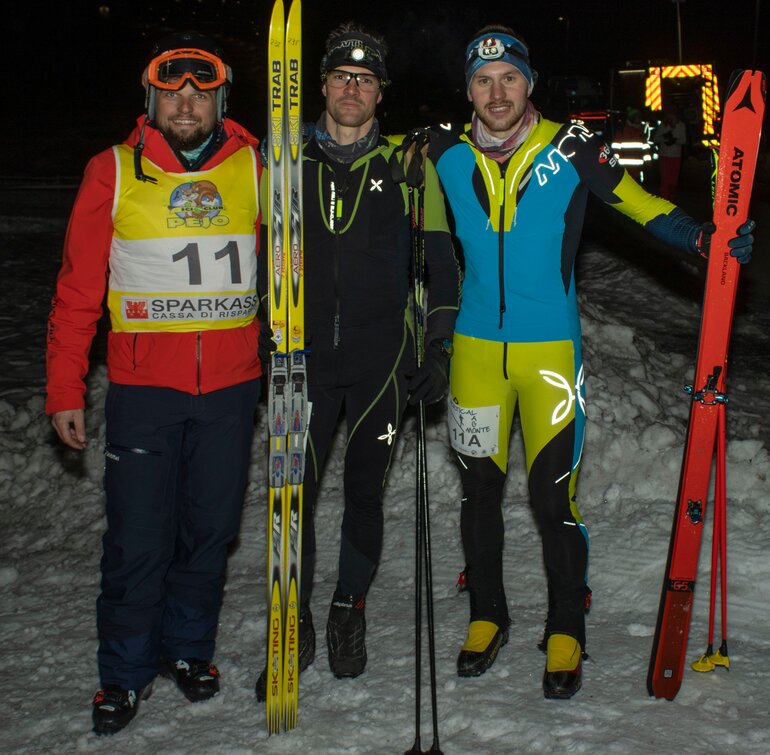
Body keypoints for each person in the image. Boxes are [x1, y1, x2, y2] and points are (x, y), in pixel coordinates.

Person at [419, 25, 755, 700]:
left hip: (548, 357)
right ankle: (487, 615)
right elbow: (425, 242)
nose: (496, 93)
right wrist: (433, 338)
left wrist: (702, 238)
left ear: (529, 84)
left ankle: (566, 627)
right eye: (483, 81)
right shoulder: (441, 152)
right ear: (468, 90)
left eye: (509, 79)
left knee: (553, 499)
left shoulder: (571, 146)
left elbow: (638, 204)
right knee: (478, 494)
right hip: (476, 355)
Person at [45, 32, 263, 736]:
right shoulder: (111, 170)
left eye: (201, 92)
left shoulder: (257, 166)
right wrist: (65, 387)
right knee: (139, 538)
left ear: (221, 101)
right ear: (151, 99)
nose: (186, 104)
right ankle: (124, 672)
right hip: (144, 392)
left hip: (231, 389)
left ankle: (189, 649)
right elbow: (78, 290)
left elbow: (294, 265)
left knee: (209, 532)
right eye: (173, 93)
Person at [254, 22, 459, 696]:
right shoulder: (282, 163)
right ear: (321, 85)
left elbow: (442, 266)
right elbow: (252, 257)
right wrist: (258, 329)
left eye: (365, 80)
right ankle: (293, 622)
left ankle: (348, 608)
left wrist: (438, 347)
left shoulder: (409, 167)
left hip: (382, 364)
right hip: (302, 364)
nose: (352, 89)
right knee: (293, 499)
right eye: (342, 76)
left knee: (364, 493)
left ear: (380, 94)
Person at [652, 104, 688, 200]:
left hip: (676, 156)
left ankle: (671, 198)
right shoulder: (663, 125)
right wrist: (665, 138)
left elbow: (683, 140)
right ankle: (664, 198)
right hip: (664, 155)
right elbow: (655, 139)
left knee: (673, 180)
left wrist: (674, 140)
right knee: (665, 179)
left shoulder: (681, 126)